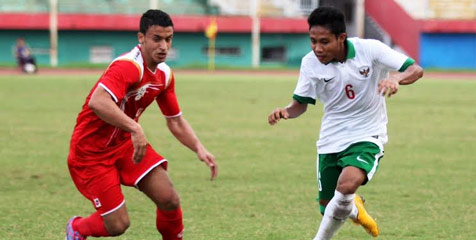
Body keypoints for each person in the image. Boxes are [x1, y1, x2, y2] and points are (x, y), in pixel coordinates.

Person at [268, 6, 423, 240]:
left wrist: (395, 78)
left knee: (346, 186)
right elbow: (300, 103)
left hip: (368, 134)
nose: (317, 48)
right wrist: (286, 111)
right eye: (313, 41)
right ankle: (354, 208)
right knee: (330, 206)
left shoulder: (370, 49)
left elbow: (415, 69)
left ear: (341, 38)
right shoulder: (310, 63)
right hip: (331, 138)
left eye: (324, 41)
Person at [65, 9, 218, 240]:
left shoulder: (164, 74)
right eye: (157, 39)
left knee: (169, 198)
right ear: (141, 38)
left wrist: (199, 148)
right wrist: (135, 128)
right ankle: (77, 228)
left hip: (124, 146)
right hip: (91, 153)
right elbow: (98, 101)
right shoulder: (128, 66)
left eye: (168, 39)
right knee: (118, 225)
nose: (164, 46)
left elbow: (175, 120)